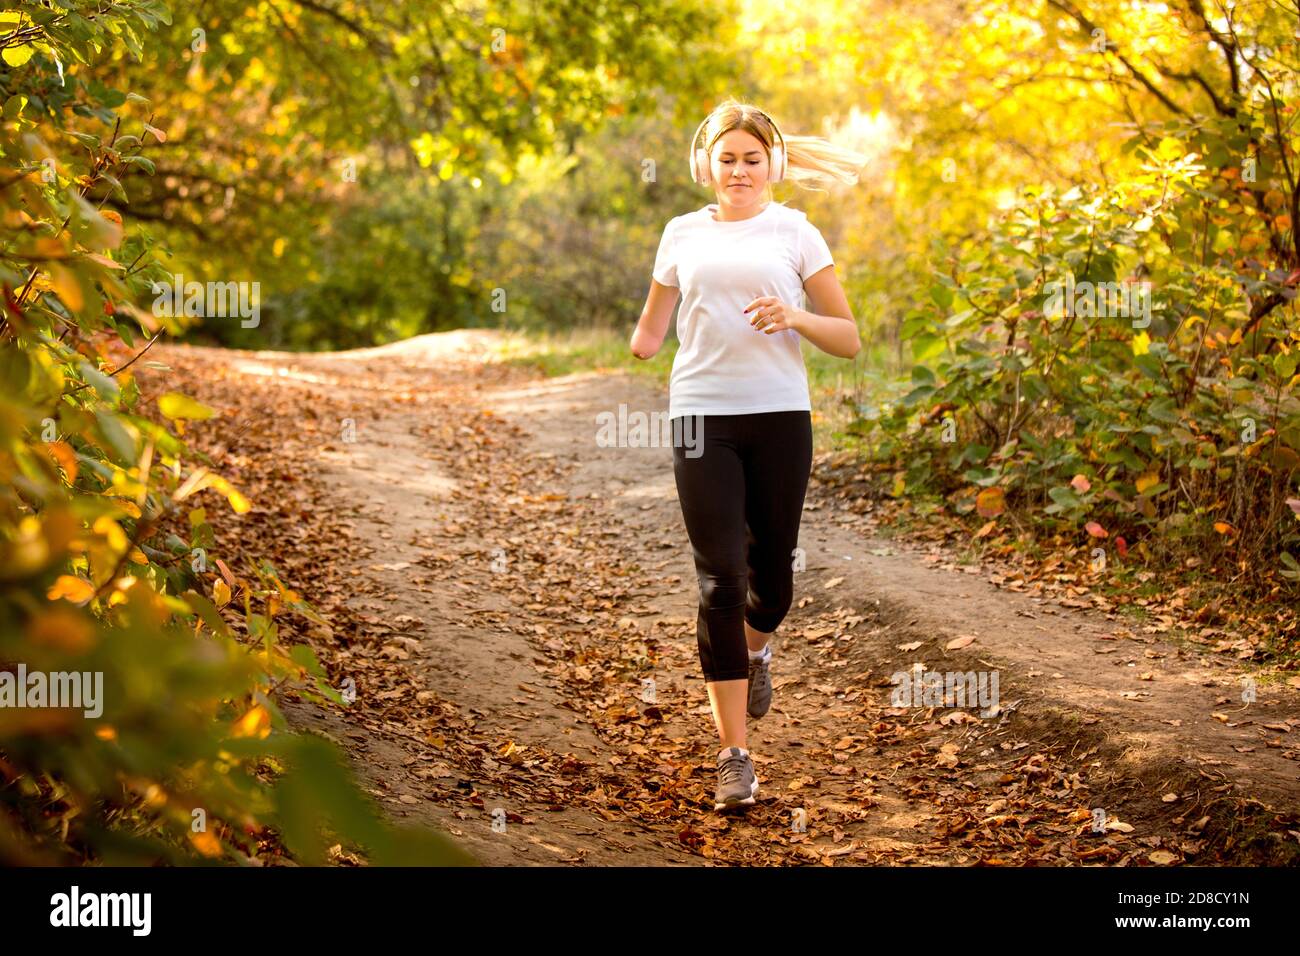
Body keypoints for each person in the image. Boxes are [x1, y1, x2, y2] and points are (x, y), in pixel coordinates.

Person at [630, 98, 867, 812]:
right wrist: (641, 346)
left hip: (780, 418)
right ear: (707, 163)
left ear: (774, 165)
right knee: (719, 580)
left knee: (773, 581)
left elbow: (849, 338)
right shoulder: (679, 233)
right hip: (702, 414)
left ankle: (758, 649)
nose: (738, 169)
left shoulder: (796, 232)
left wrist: (793, 313)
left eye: (751, 158)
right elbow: (653, 324)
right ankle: (734, 755)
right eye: (726, 157)